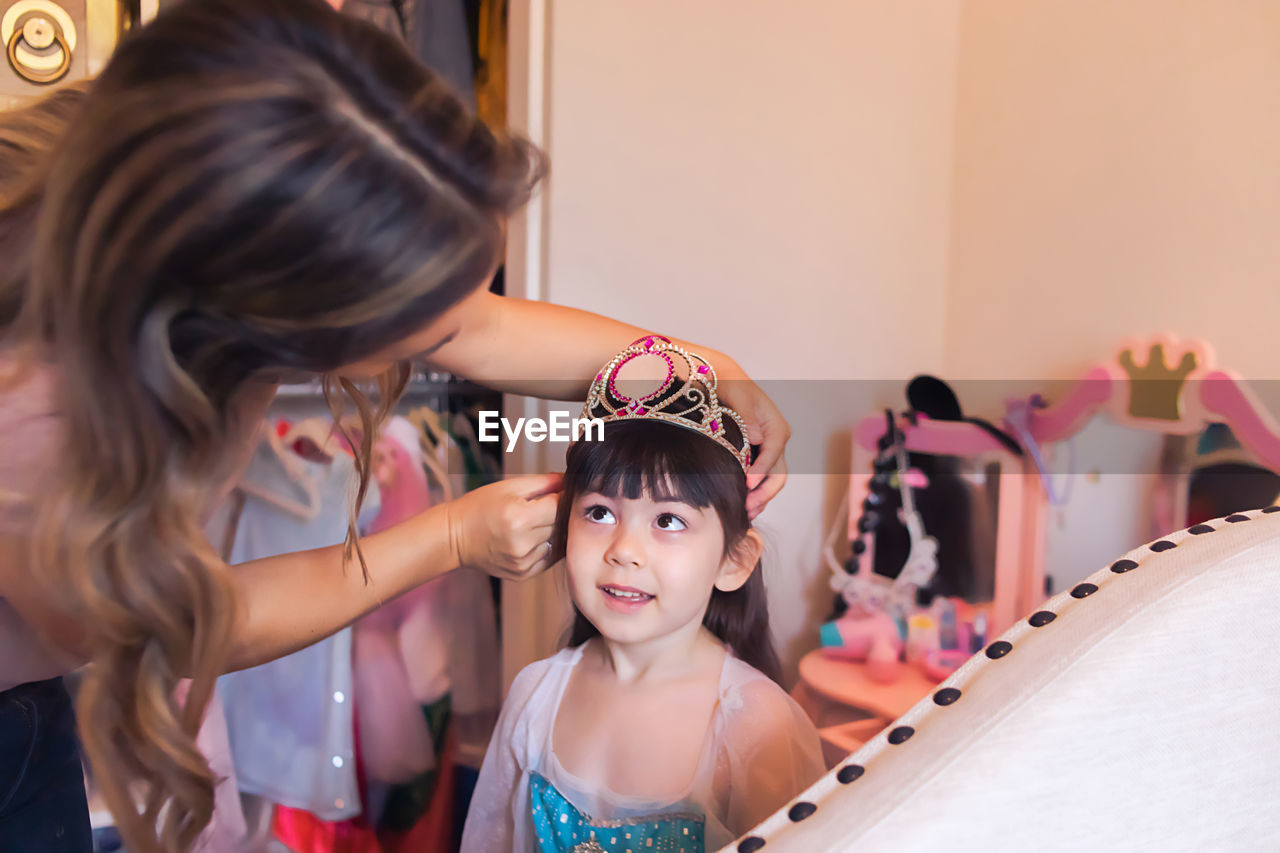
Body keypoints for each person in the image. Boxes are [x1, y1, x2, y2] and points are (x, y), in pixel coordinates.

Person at [0, 2, 792, 851]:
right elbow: (185, 620)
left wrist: (696, 365)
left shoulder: (187, 201)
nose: (458, 333)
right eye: (427, 323)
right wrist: (447, 535)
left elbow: (476, 325)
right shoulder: (44, 418)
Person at [460, 338, 823, 853]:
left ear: (733, 560)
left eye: (669, 520)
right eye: (600, 513)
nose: (624, 551)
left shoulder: (758, 729)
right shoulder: (534, 694)